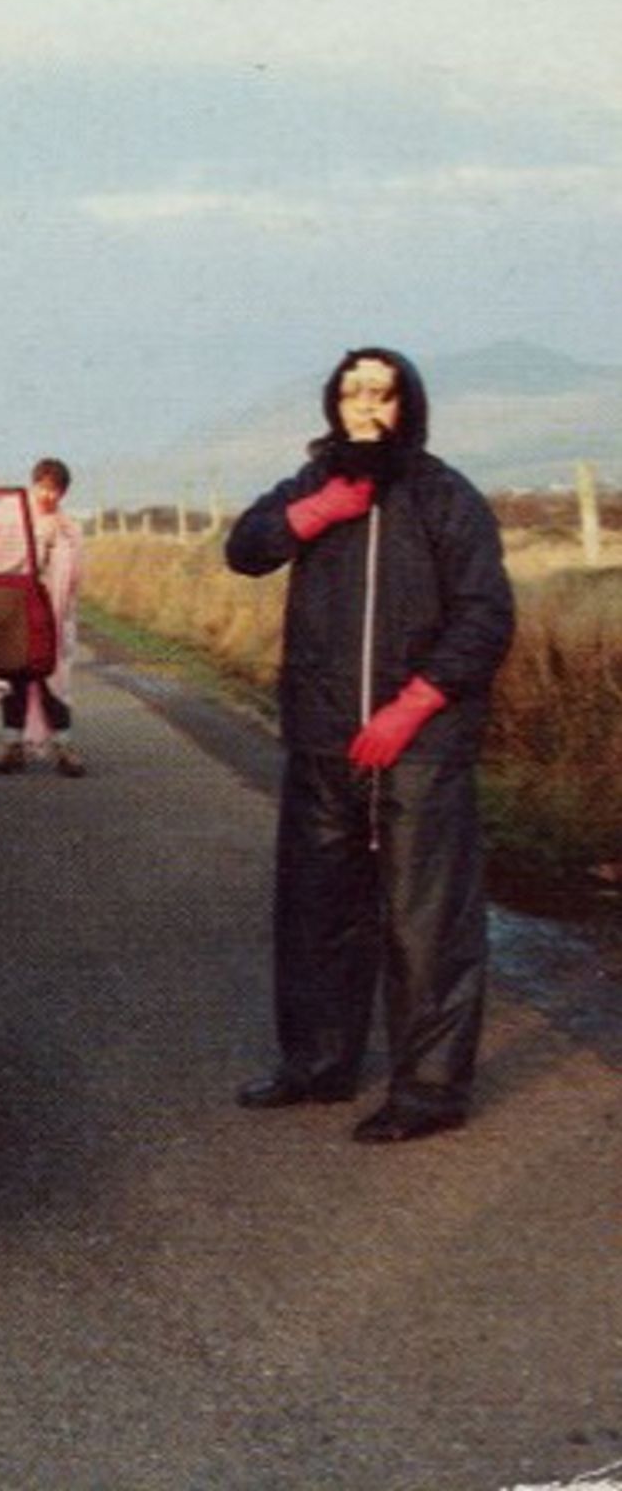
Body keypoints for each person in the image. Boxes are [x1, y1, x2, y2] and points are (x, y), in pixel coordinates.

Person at [226, 347, 514, 1144]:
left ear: (405, 407)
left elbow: (485, 616)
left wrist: (412, 705)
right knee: (316, 910)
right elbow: (244, 549)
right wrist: (311, 513)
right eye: (350, 392)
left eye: (379, 394)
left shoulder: (443, 496)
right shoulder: (311, 483)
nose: (363, 407)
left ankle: (427, 1093)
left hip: (420, 743)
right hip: (323, 740)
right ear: (332, 404)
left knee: (424, 923)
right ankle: (317, 1066)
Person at [0, 457, 85, 778]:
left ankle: (65, 747)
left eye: (56, 490)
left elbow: (74, 578)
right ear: (34, 485)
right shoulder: (9, 515)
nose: (49, 496)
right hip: (13, 610)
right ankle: (11, 745)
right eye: (44, 488)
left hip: (52, 614)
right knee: (13, 677)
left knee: (53, 677)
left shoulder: (68, 527)